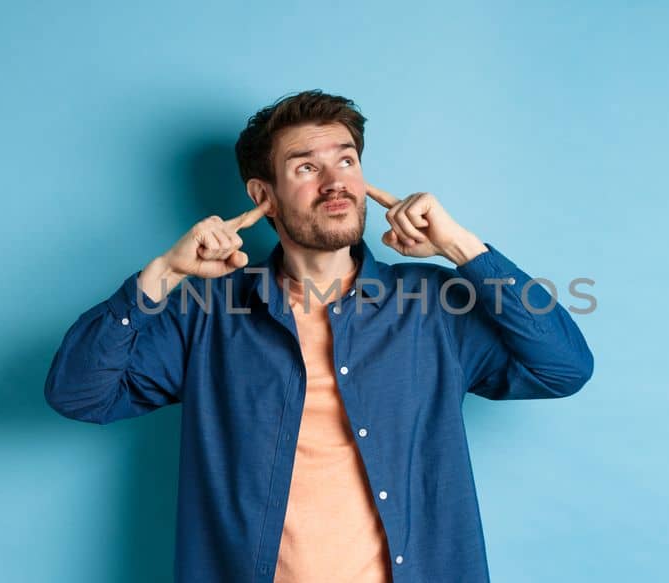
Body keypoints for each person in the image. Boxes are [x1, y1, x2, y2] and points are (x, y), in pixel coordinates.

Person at [45, 90, 594, 583]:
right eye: (307, 167)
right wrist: (163, 274)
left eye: (347, 161)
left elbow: (563, 367)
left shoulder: (432, 305)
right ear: (264, 194)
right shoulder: (207, 312)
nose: (336, 183)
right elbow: (80, 393)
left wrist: (460, 248)